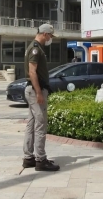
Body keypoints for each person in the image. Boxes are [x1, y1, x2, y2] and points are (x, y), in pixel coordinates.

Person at [22, 24, 60, 172]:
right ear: (45, 34)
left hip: (32, 90)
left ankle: (28, 157)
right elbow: (32, 72)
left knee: (31, 124)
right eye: (50, 36)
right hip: (35, 90)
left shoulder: (33, 47)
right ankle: (41, 160)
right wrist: (38, 92)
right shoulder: (35, 48)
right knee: (40, 124)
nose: (50, 39)